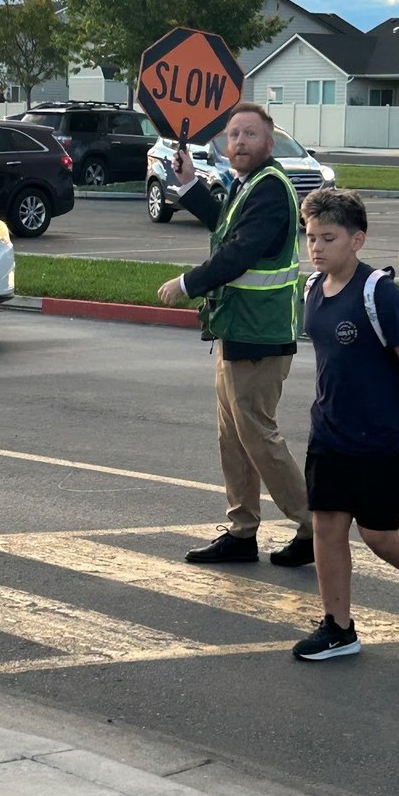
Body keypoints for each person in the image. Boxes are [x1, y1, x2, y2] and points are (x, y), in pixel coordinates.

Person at [293, 187, 399, 661]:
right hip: (329, 430)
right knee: (326, 525)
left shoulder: (378, 293)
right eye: (311, 237)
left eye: (328, 238)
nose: (316, 247)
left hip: (382, 436)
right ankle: (338, 628)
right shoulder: (313, 288)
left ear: (358, 240)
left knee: (378, 534)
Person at [157, 101, 313, 567]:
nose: (240, 142)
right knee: (235, 437)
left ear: (269, 141)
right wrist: (188, 183)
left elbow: (239, 252)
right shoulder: (246, 184)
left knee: (258, 437)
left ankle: (314, 527)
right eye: (233, 135)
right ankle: (243, 532)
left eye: (249, 134)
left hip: (261, 334)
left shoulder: (271, 188)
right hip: (237, 328)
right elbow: (224, 227)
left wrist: (188, 283)